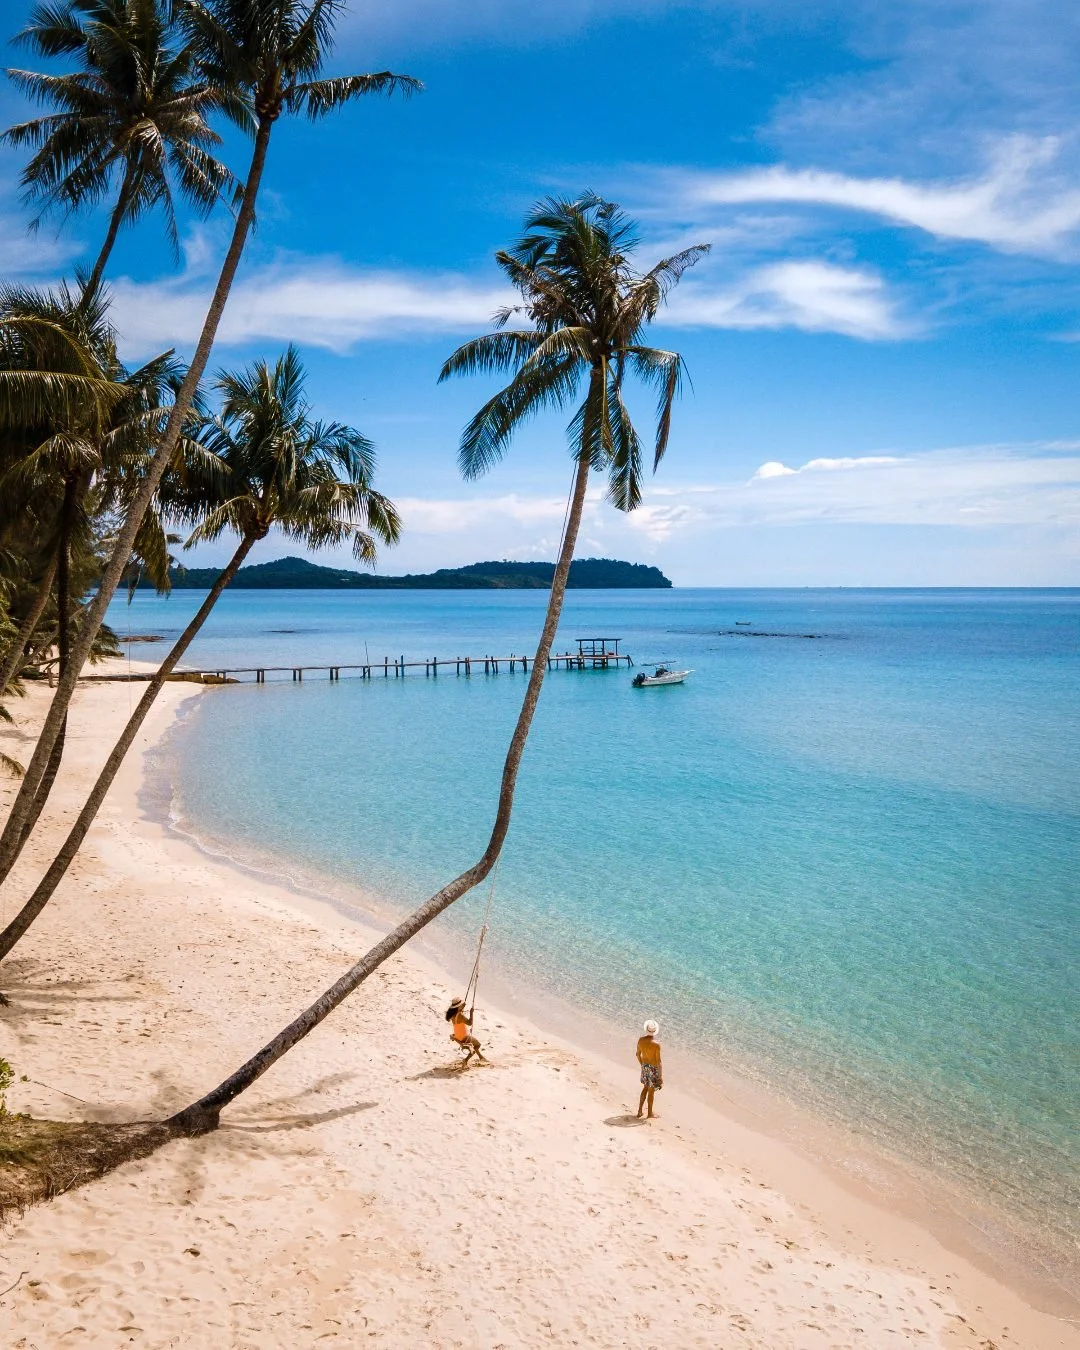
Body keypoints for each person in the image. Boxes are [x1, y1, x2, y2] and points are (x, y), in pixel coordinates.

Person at [445, 997, 487, 1066]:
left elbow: (459, 1016)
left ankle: (481, 1057)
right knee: (477, 1045)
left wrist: (462, 1007)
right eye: (461, 1005)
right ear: (458, 1007)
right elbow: (470, 1023)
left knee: (474, 1045)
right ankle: (466, 1060)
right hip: (463, 1036)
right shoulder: (460, 1015)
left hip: (457, 1035)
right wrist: (471, 1013)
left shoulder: (453, 1015)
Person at [636, 1019, 663, 1118]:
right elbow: (658, 1061)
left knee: (645, 1088)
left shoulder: (640, 1040)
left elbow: (637, 1054)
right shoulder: (656, 1045)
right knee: (651, 1091)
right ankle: (650, 1113)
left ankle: (639, 1111)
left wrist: (642, 1065)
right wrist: (660, 1076)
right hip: (653, 1069)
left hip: (644, 1066)